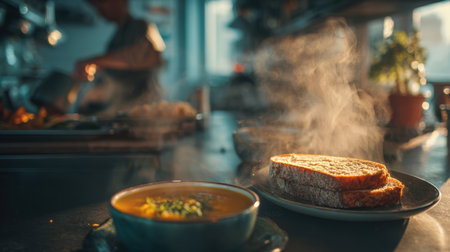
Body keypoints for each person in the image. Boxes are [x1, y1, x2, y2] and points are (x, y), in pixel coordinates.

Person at [73, 0, 166, 115]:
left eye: (102, 2)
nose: (98, 10)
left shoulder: (140, 25)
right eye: (95, 5)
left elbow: (147, 56)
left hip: (142, 109)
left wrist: (96, 60)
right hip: (121, 108)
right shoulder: (117, 35)